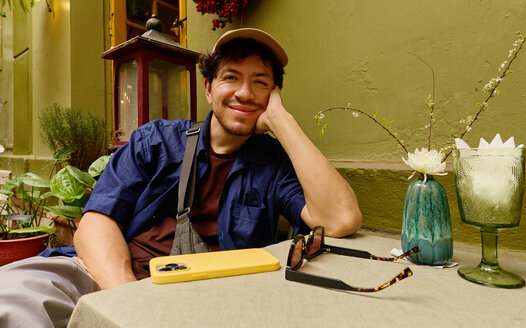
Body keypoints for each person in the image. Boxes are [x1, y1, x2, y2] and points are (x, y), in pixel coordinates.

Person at [0, 28, 362, 327]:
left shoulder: (275, 163)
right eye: (231, 77)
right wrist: (127, 302)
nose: (244, 93)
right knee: (13, 295)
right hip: (110, 277)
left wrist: (282, 121)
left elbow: (341, 219)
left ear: (274, 95)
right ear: (208, 89)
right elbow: (96, 224)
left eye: (261, 83)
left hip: (209, 301)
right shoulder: (155, 140)